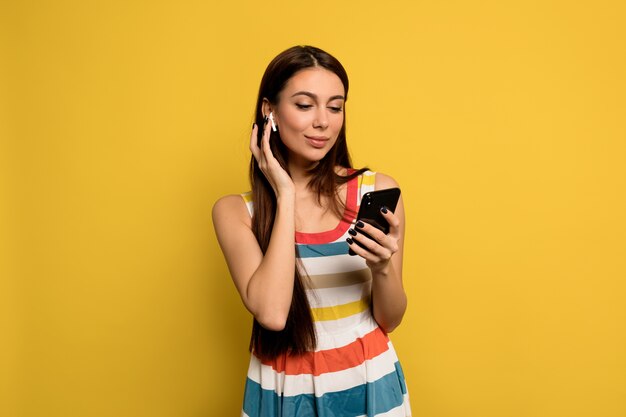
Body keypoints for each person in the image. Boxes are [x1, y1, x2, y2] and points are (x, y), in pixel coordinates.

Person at [212, 45, 411, 417]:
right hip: (285, 388)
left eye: (335, 107)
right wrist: (285, 193)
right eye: (305, 105)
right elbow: (272, 314)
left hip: (367, 381)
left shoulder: (376, 191)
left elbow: (390, 319)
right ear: (269, 111)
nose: (323, 121)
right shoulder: (235, 212)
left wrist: (383, 268)